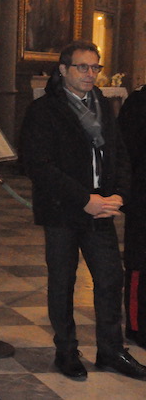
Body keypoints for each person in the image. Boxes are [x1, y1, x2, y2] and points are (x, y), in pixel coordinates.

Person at [21, 41, 146, 381]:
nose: (90, 74)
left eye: (95, 67)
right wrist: (83, 199)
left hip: (101, 209)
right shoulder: (44, 110)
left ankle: (111, 350)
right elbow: (39, 165)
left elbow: (119, 152)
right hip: (63, 210)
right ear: (63, 70)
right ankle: (66, 351)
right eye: (82, 67)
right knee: (63, 282)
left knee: (110, 279)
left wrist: (118, 194)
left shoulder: (101, 104)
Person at [118, 85, 146, 350]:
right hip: (142, 200)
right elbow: (125, 155)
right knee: (140, 265)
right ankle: (139, 327)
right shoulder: (139, 103)